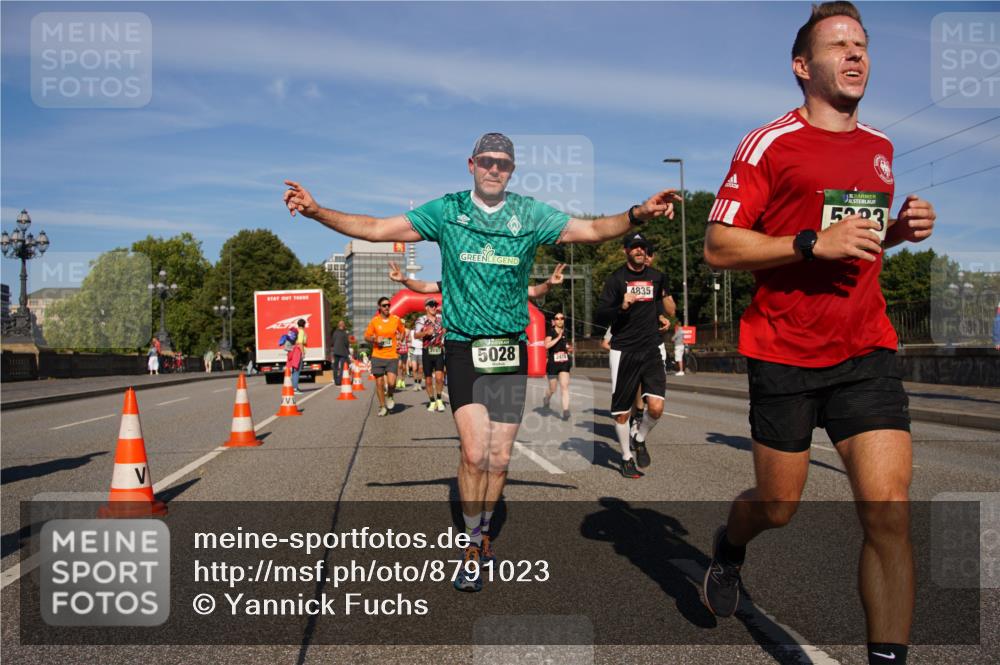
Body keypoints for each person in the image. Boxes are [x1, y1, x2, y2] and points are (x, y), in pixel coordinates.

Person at [285, 131, 679, 592]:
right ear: (470, 164)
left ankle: (486, 529)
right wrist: (316, 212)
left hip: (508, 349)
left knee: (499, 457)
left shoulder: (529, 215)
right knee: (474, 453)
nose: (495, 169)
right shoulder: (447, 211)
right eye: (487, 161)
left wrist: (638, 213)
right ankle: (472, 542)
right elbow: (375, 228)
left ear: (512, 170)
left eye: (504, 163)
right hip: (464, 347)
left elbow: (590, 231)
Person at [700, 5, 936, 664]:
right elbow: (718, 245)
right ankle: (730, 546)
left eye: (861, 44)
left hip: (865, 347)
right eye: (838, 45)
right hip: (784, 350)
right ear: (803, 66)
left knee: (888, 508)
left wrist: (898, 231)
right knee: (777, 504)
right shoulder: (769, 143)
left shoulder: (880, 148)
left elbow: (853, 244)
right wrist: (809, 242)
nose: (855, 54)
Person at [595, 232, 676, 478]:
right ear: (626, 250)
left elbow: (666, 310)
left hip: (652, 347)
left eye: (643, 247)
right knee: (622, 412)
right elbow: (600, 315)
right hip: (623, 349)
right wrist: (622, 305)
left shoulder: (657, 277)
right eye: (634, 247)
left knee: (656, 408)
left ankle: (639, 438)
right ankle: (626, 458)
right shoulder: (616, 279)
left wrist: (663, 313)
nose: (639, 250)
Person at [364, 297, 406, 416]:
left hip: (392, 356)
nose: (387, 307)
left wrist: (400, 340)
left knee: (392, 383)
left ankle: (390, 395)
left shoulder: (395, 319)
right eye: (384, 305)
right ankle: (382, 406)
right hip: (377, 356)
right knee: (379, 383)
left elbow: (402, 331)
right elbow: (366, 336)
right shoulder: (374, 321)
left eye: (388, 305)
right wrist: (375, 339)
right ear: (379, 307)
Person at [415, 298, 447, 412]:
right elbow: (416, 335)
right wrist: (425, 333)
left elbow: (446, 328)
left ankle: (439, 399)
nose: (434, 307)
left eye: (435, 305)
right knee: (428, 380)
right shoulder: (421, 319)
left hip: (438, 351)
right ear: (426, 307)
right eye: (431, 305)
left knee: (439, 378)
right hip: (427, 352)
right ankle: (432, 401)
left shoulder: (441, 319)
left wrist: (445, 330)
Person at [543, 312, 572, 420]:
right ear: (554, 321)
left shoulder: (566, 332)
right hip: (553, 363)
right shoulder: (551, 331)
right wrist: (558, 337)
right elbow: (546, 345)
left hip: (564, 361)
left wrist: (568, 348)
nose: (560, 320)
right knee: (553, 388)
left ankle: (565, 410)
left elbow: (565, 344)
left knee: (564, 386)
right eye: (557, 318)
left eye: (562, 318)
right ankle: (547, 398)